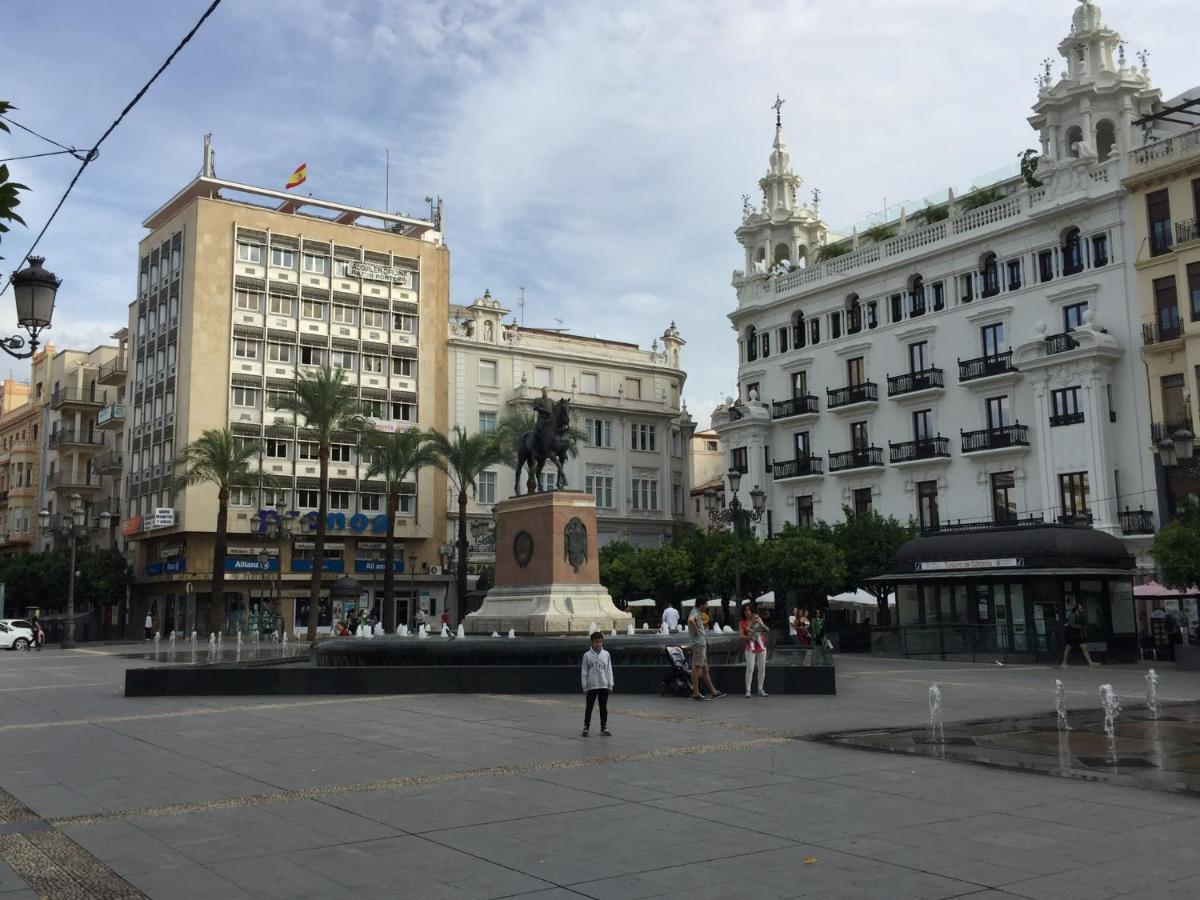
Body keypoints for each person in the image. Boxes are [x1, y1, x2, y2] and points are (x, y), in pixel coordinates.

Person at [687, 598, 724, 701]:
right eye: (706, 604)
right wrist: (696, 632)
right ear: (701, 605)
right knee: (697, 668)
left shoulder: (695, 612)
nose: (707, 606)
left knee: (705, 669)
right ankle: (696, 693)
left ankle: (714, 692)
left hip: (700, 643)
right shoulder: (696, 612)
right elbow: (691, 620)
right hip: (699, 644)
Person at [580, 631, 614, 737]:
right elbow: (584, 671)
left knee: (603, 707)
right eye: (596, 642)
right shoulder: (587, 655)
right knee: (589, 707)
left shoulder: (606, 654)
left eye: (600, 642)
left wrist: (610, 684)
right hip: (592, 685)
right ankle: (586, 727)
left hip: (603, 684)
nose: (598, 644)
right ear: (591, 642)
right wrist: (584, 686)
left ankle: (604, 727)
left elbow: (609, 670)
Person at [740, 603, 769, 698]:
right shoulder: (742, 622)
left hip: (761, 644)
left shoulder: (758, 619)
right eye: (745, 610)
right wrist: (749, 637)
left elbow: (765, 629)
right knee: (750, 668)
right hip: (750, 645)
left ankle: (760, 689)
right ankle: (748, 690)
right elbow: (741, 636)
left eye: (749, 609)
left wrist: (761, 623)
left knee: (762, 668)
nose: (747, 612)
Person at [1061, 601, 1098, 668]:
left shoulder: (1082, 615)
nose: (1082, 609)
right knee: (1068, 648)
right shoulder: (1072, 615)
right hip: (1072, 634)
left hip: (1080, 634)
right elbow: (1071, 624)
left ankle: (1090, 662)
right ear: (1077, 609)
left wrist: (1085, 627)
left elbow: (1084, 624)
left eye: (1082, 608)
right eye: (1080, 608)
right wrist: (1080, 627)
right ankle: (1064, 662)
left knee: (1084, 648)